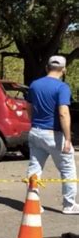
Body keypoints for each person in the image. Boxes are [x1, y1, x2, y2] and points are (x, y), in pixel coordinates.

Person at [26, 55, 79, 214]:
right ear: (63, 70)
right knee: (68, 169)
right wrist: (68, 138)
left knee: (35, 168)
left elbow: (28, 108)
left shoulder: (34, 85)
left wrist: (33, 123)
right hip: (54, 134)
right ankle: (69, 204)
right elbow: (63, 113)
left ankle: (33, 203)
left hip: (36, 131)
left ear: (46, 68)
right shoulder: (62, 87)